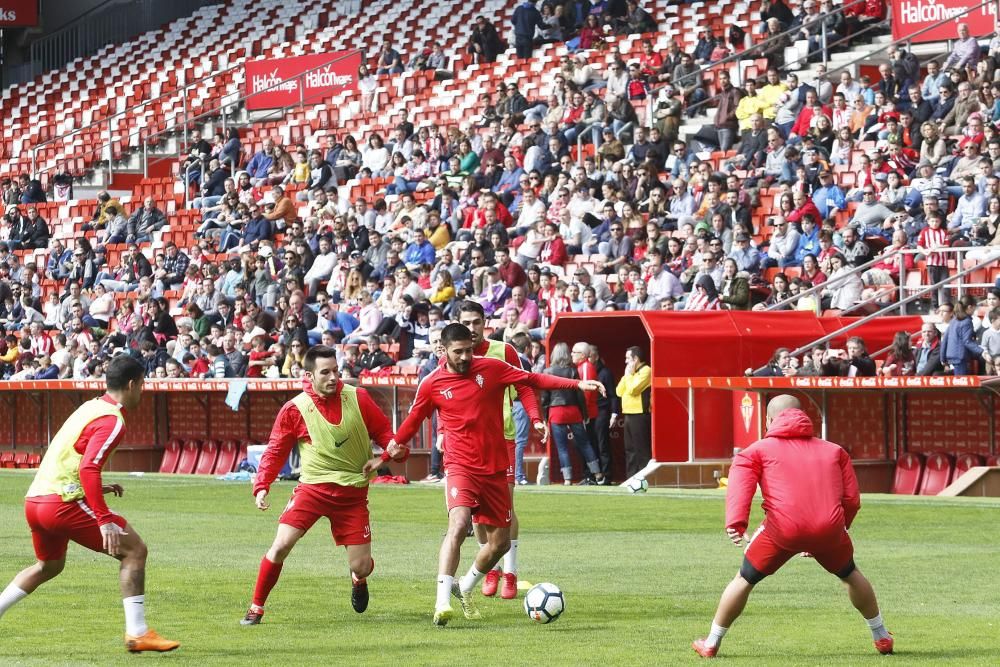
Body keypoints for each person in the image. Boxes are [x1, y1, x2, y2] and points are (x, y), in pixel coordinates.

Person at [390, 322, 604, 626]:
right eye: (458, 352)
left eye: (468, 350)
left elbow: (531, 380)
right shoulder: (433, 382)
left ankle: (463, 588)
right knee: (459, 524)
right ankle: (441, 602)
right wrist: (391, 450)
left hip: (495, 464)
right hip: (460, 465)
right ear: (445, 350)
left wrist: (576, 385)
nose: (465, 357)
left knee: (500, 543)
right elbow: (413, 420)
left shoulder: (493, 366)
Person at [0, 355, 179, 653]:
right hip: (62, 502)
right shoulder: (113, 420)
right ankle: (138, 633)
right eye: (143, 384)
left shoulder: (89, 407)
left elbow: (71, 457)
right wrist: (103, 518)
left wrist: (98, 489)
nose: (143, 390)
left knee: (49, 566)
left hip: (35, 500)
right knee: (135, 550)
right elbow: (88, 468)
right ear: (133, 384)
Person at [692, 395, 893, 658]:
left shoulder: (756, 450)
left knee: (744, 579)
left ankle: (711, 643)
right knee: (850, 574)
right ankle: (881, 637)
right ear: (804, 417)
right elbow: (852, 499)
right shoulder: (834, 450)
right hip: (829, 529)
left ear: (768, 420)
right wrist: (839, 528)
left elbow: (741, 487)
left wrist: (736, 524)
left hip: (781, 531)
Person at [241, 346, 405, 626]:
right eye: (325, 372)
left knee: (361, 565)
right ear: (309, 375)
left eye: (336, 371)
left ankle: (357, 577)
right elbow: (275, 450)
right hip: (312, 491)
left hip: (352, 495)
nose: (333, 377)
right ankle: (256, 608)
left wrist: (390, 453)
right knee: (280, 545)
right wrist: (262, 485)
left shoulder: (359, 398)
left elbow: (386, 435)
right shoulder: (295, 409)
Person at [455, 301, 532, 600]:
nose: (472, 328)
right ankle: (491, 568)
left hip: (504, 439)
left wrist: (535, 418)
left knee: (505, 509)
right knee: (478, 515)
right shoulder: (454, 355)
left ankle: (510, 574)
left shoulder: (505, 351)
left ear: (485, 322)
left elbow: (524, 384)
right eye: (466, 322)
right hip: (469, 444)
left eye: (477, 322)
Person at [616, 345, 651, 479]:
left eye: (627, 358)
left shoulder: (646, 370)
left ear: (636, 359)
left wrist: (628, 376)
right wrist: (626, 375)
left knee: (641, 450)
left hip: (640, 415)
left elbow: (632, 390)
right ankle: (631, 478)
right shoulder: (630, 373)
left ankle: (644, 478)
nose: (625, 362)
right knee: (630, 449)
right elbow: (619, 391)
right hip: (628, 414)